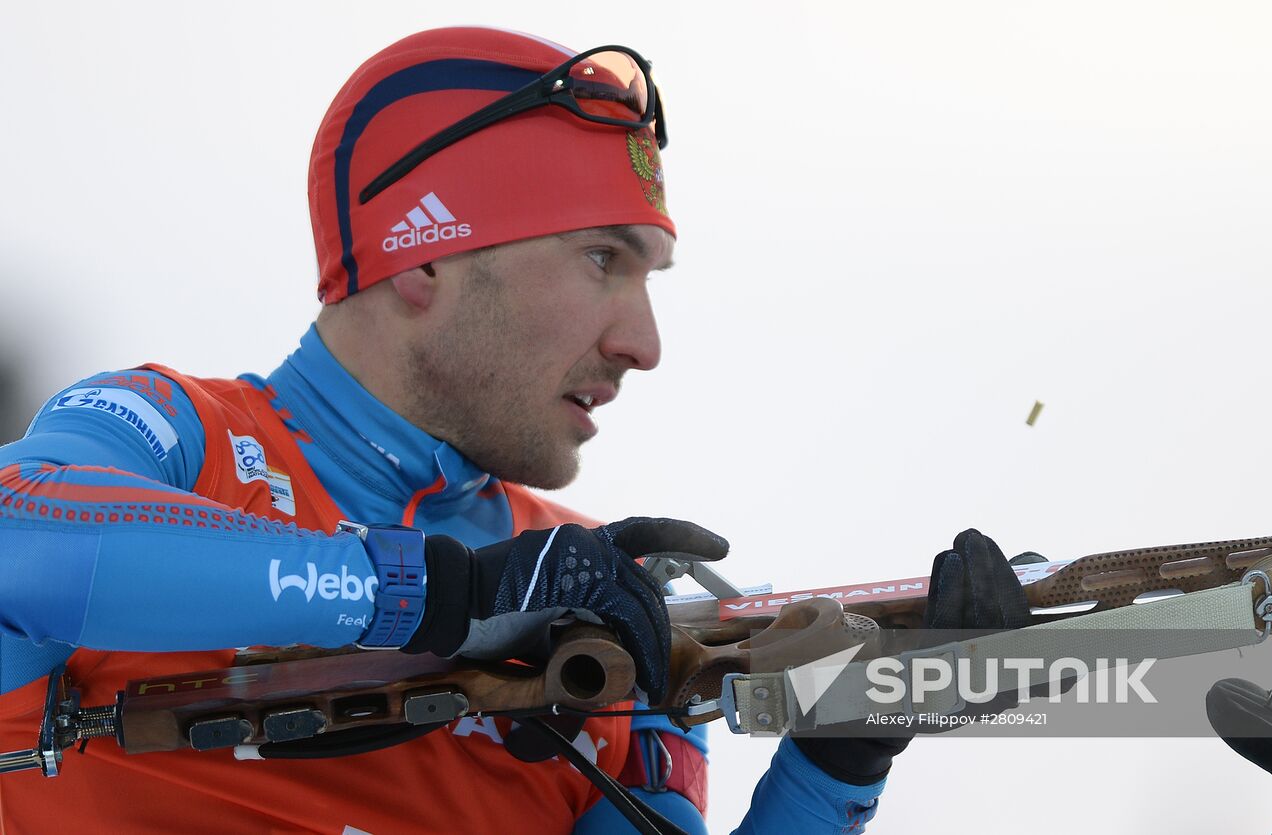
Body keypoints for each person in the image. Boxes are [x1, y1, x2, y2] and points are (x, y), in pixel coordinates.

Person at [0, 26, 990, 834]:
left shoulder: (593, 581)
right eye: (603, 259)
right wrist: (445, 594)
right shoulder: (182, 440)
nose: (642, 342)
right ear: (422, 262)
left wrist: (838, 759)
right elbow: (17, 536)